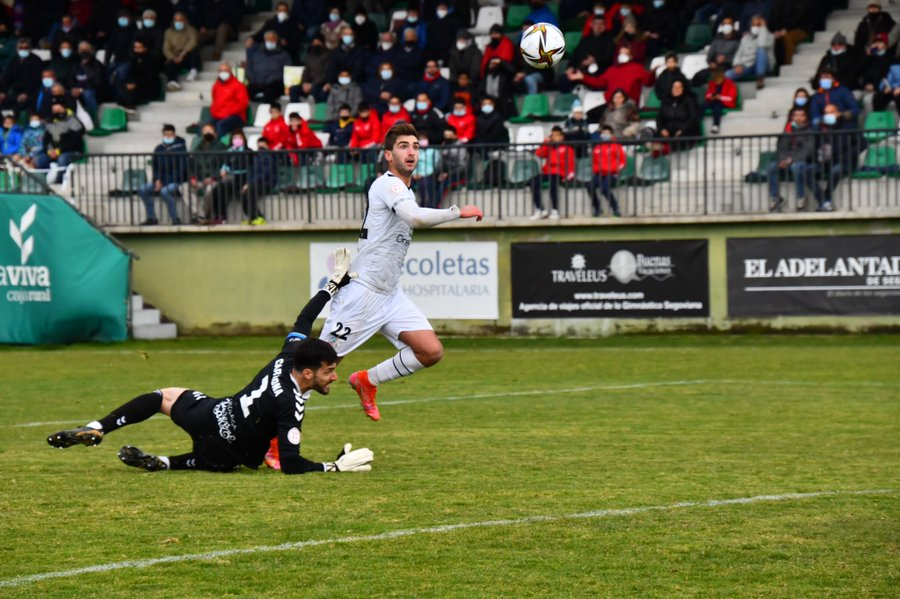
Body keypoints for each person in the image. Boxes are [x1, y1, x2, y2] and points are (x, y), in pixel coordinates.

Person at [47, 250, 375, 476]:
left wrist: (332, 286)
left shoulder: (287, 356)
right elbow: (291, 464)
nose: (333, 377)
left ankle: (99, 427)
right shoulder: (291, 403)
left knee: (162, 397)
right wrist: (331, 467)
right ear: (307, 372)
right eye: (329, 371)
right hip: (230, 454)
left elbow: (305, 318)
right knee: (216, 457)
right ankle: (170, 462)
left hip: (213, 414)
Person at [323, 123, 483, 421]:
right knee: (317, 371)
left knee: (430, 351)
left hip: (389, 295)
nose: (411, 151)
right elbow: (414, 217)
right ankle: (272, 441)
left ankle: (367, 380)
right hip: (362, 293)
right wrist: (456, 212)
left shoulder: (405, 190)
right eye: (403, 146)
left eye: (415, 146)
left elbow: (412, 212)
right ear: (388, 154)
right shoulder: (387, 184)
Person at [768, 108, 816, 212]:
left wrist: (792, 160)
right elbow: (781, 148)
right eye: (796, 115)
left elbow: (808, 150)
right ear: (792, 117)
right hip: (786, 161)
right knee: (772, 167)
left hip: (802, 161)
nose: (798, 118)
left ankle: (801, 198)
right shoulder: (788, 130)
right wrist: (782, 160)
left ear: (805, 117)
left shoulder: (809, 130)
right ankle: (776, 198)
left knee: (797, 167)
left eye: (801, 115)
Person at [138, 124, 188, 226]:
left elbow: (181, 170)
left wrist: (163, 182)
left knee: (165, 191)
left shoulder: (181, 149)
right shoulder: (159, 149)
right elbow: (155, 167)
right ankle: (151, 217)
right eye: (166, 135)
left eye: (170, 135)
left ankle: (175, 218)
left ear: (174, 135)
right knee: (143, 189)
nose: (168, 137)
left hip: (176, 180)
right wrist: (157, 180)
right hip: (160, 180)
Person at [559, 15, 616, 93]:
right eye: (596, 24)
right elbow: (575, 55)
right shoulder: (585, 39)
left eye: (601, 24)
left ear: (605, 25)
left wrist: (595, 60)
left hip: (598, 71)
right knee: (563, 79)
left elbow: (609, 57)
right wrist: (570, 67)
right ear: (592, 25)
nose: (599, 26)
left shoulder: (609, 40)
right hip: (581, 70)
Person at [530, 126, 576, 220]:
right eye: (553, 135)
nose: (555, 137)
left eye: (557, 135)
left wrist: (568, 177)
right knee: (533, 181)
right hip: (548, 172)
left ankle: (555, 210)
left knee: (553, 183)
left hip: (560, 173)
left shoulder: (568, 149)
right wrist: (546, 142)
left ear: (561, 137)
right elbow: (539, 154)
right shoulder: (549, 147)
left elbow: (571, 165)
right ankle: (540, 209)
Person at [210, 129, 252, 223]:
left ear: (244, 139)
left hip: (243, 178)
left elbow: (251, 167)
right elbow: (225, 165)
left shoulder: (248, 152)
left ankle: (252, 216)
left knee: (241, 193)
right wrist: (223, 170)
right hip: (231, 178)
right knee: (217, 190)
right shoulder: (228, 152)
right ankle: (220, 216)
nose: (237, 139)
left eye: (239, 137)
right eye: (235, 138)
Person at [189, 123, 227, 225]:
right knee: (184, 187)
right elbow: (191, 164)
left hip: (214, 179)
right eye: (205, 130)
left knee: (210, 190)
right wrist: (193, 178)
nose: (207, 132)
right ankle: (198, 214)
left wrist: (213, 177)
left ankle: (205, 216)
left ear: (214, 133)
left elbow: (223, 165)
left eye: (209, 130)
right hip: (200, 179)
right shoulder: (198, 147)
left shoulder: (221, 146)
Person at [727, 14, 775, 89]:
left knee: (761, 50)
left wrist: (763, 28)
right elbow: (739, 54)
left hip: (763, 66)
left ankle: (760, 78)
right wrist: (737, 65)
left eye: (758, 24)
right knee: (727, 74)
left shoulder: (770, 37)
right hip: (747, 65)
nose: (756, 27)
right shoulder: (745, 38)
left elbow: (761, 44)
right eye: (754, 25)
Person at [43, 103, 85, 184]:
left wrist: (59, 151)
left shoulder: (73, 121)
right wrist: (49, 151)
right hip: (53, 151)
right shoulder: (50, 122)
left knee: (62, 159)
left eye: (59, 110)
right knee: (41, 159)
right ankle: (43, 182)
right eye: (54, 110)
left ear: (64, 108)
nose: (57, 112)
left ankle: (58, 182)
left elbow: (75, 141)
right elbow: (45, 140)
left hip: (72, 151)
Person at [115, 39, 160, 114]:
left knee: (131, 92)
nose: (136, 49)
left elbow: (151, 78)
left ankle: (129, 105)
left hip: (146, 87)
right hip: (135, 85)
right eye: (135, 47)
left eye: (139, 47)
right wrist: (130, 83)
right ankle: (126, 104)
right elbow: (131, 74)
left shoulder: (152, 60)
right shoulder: (135, 59)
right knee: (119, 82)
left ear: (145, 48)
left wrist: (136, 84)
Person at [589, 125, 626, 218]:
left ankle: (615, 207)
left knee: (604, 188)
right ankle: (597, 208)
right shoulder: (597, 147)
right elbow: (594, 162)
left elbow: (622, 161)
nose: (605, 135)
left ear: (611, 134)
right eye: (603, 133)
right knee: (590, 186)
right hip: (599, 174)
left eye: (607, 133)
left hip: (612, 173)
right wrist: (596, 171)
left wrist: (616, 170)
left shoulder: (616, 146)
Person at [0, 38, 43, 115]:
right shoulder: (14, 60)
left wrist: (26, 93)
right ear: (17, 49)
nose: (23, 50)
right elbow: (7, 77)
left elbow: (36, 80)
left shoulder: (36, 60)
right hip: (15, 91)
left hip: (31, 92)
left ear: (30, 48)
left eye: (26, 48)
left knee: (18, 108)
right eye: (21, 48)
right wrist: (3, 92)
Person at [239, 136, 276, 225]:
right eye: (259, 144)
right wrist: (247, 183)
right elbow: (251, 172)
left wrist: (251, 183)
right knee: (242, 192)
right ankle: (251, 217)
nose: (260, 146)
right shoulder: (255, 157)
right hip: (255, 183)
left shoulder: (270, 156)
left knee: (250, 191)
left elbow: (265, 174)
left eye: (263, 144)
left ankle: (258, 216)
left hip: (267, 183)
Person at [247, 31, 291, 103]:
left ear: (276, 40)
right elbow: (250, 67)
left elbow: (286, 70)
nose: (269, 41)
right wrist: (252, 78)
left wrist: (272, 79)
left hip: (273, 84)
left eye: (272, 39)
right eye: (267, 39)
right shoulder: (257, 53)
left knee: (269, 93)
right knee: (245, 91)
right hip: (256, 83)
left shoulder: (283, 54)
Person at [209, 63, 249, 138]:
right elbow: (214, 101)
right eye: (221, 71)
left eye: (225, 70)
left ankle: (219, 147)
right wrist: (214, 112)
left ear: (230, 71)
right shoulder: (216, 85)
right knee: (207, 126)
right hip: (219, 115)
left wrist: (226, 112)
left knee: (221, 125)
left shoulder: (238, 85)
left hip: (236, 117)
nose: (223, 73)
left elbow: (242, 104)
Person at [657, 80, 701, 148]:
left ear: (683, 88)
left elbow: (693, 118)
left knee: (680, 139)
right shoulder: (665, 101)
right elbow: (659, 118)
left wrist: (682, 130)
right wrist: (662, 129)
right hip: (669, 132)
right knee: (654, 136)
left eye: (679, 87)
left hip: (685, 132)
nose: (676, 89)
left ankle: (664, 148)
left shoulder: (689, 101)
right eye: (674, 87)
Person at [290, 34, 332, 103]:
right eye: (314, 43)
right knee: (293, 89)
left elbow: (326, 74)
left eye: (318, 42)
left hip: (321, 83)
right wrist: (304, 83)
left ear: (322, 43)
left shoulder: (328, 55)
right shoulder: (310, 56)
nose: (316, 44)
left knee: (316, 90)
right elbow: (306, 71)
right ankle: (296, 110)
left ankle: (319, 111)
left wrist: (312, 84)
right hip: (309, 84)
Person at [163, 11, 200, 91]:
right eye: (176, 20)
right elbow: (166, 48)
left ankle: (193, 71)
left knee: (193, 51)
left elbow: (193, 42)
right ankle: (173, 82)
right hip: (175, 56)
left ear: (185, 20)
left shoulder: (191, 30)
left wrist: (182, 54)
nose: (178, 22)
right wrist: (173, 57)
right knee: (169, 63)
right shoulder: (168, 32)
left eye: (180, 20)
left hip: (186, 54)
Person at [68, 41, 105, 119]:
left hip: (93, 90)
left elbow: (97, 82)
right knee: (67, 93)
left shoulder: (96, 64)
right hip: (77, 89)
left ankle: (94, 118)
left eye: (86, 49)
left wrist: (81, 90)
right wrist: (73, 88)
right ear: (78, 51)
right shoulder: (74, 64)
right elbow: (71, 79)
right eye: (81, 49)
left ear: (91, 51)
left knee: (88, 94)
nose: (84, 51)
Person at [703, 67, 737, 134]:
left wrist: (720, 98)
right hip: (713, 101)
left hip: (724, 103)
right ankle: (697, 123)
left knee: (717, 107)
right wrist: (711, 97)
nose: (717, 81)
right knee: (702, 106)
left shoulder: (730, 83)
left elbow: (731, 98)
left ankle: (716, 126)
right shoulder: (712, 83)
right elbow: (707, 95)